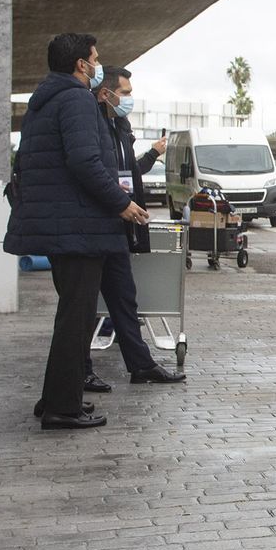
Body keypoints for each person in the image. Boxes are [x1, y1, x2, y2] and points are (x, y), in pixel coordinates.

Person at [4, 34, 149, 429]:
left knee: (74, 316)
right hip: (79, 227)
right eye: (95, 59)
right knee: (77, 318)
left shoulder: (47, 101)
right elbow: (85, 164)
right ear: (81, 65)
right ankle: (61, 408)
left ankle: (58, 396)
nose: (98, 65)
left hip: (64, 225)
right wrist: (122, 204)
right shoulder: (75, 100)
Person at [84, 66, 186, 390]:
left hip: (117, 224)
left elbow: (129, 173)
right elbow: (94, 174)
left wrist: (153, 154)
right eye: (125, 93)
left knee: (124, 298)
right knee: (83, 304)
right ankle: (79, 370)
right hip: (95, 224)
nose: (129, 98)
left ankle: (141, 365)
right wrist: (120, 203)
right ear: (106, 93)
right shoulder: (92, 125)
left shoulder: (119, 126)